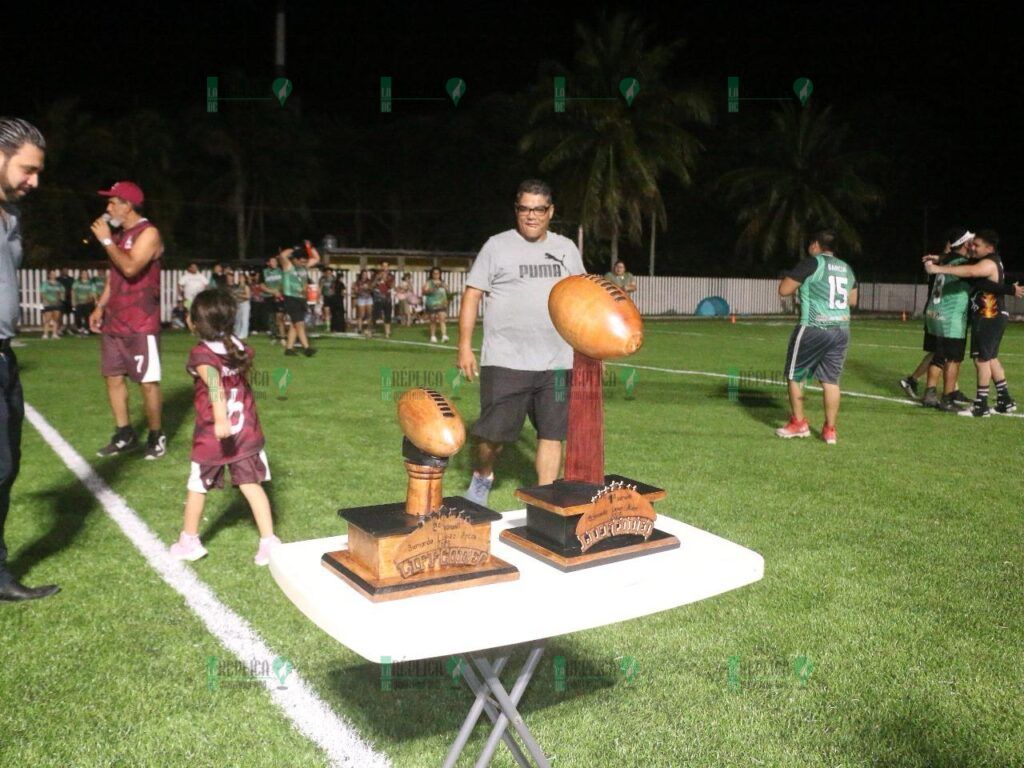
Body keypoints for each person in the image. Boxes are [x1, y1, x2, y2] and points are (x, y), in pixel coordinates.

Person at [457, 179, 585, 506]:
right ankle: (482, 478)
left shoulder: (566, 249)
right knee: (491, 436)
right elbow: (472, 295)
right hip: (505, 361)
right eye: (524, 208)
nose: (531, 216)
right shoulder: (497, 246)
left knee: (553, 433)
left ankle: (545, 500)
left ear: (550, 211)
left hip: (557, 362)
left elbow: (581, 297)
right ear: (517, 210)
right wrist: (464, 345)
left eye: (538, 209)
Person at [169, 289, 281, 565]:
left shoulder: (202, 354)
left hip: (215, 435)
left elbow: (216, 386)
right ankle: (269, 541)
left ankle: (189, 541)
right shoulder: (237, 347)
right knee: (250, 486)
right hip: (246, 431)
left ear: (196, 323)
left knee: (197, 486)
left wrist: (220, 419)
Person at [0, 116, 59, 601]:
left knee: (6, 465)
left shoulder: (12, 215)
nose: (33, 182)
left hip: (4, 358)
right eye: (27, 169)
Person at [89, 180, 167, 460]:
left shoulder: (149, 233)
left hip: (141, 322)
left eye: (112, 202)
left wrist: (107, 240)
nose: (108, 207)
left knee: (147, 382)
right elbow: (116, 276)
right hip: (115, 321)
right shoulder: (120, 236)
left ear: (127, 205)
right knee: (112, 378)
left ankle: (156, 435)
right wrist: (100, 306)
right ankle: (124, 434)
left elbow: (131, 267)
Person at [924, 229, 1023, 416]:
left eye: (977, 245)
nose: (973, 248)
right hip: (993, 315)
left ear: (989, 248)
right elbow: (978, 280)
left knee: (981, 359)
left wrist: (938, 267)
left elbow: (970, 272)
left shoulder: (987, 262)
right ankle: (1005, 400)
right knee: (991, 358)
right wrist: (940, 258)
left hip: (987, 316)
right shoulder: (991, 260)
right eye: (972, 244)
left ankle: (981, 406)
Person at [775, 229, 858, 444]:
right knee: (831, 380)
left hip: (814, 326)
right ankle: (830, 430)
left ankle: (798, 423)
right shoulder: (846, 268)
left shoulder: (812, 263)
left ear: (815, 245)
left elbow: (784, 290)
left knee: (796, 375)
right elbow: (853, 300)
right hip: (841, 328)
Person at [919, 229, 974, 411]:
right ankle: (947, 398)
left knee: (939, 355)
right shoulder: (963, 263)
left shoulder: (946, 260)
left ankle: (930, 392)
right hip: (951, 318)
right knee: (954, 359)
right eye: (971, 242)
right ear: (965, 244)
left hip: (936, 313)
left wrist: (938, 256)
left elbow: (947, 257)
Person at [279, 241, 318, 356]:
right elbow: (282, 255)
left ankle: (289, 349)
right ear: (295, 259)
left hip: (301, 298)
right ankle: (307, 348)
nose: (304, 263)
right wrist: (293, 249)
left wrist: (309, 247)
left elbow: (316, 258)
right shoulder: (289, 266)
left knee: (294, 324)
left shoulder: (304, 267)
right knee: (299, 323)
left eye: (305, 261)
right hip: (291, 298)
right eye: (301, 260)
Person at [260, 255, 286, 344]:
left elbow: (285, 282)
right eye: (273, 261)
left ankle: (283, 337)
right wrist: (272, 291)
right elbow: (262, 285)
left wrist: (279, 291)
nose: (275, 263)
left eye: (276, 261)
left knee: (280, 317)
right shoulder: (264, 272)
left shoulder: (281, 270)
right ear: (268, 263)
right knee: (271, 318)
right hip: (269, 297)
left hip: (280, 296)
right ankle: (274, 336)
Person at [178, 262, 208, 332]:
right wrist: (181, 296)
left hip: (199, 298)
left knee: (199, 312)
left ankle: (198, 327)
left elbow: (206, 285)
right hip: (188, 298)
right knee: (189, 312)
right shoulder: (186, 277)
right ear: (189, 268)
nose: (195, 268)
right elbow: (179, 285)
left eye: (196, 267)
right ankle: (190, 327)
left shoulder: (201, 276)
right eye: (193, 267)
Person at [423, 266, 450, 343]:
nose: (436, 275)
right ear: (432, 274)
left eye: (438, 273)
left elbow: (448, 292)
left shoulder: (443, 282)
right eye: (434, 273)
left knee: (442, 318)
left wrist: (445, 287)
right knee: (433, 319)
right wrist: (434, 287)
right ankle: (433, 336)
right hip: (432, 304)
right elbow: (425, 292)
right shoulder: (429, 283)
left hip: (442, 303)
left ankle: (444, 335)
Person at [371, 260, 395, 339]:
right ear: (381, 267)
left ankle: (387, 333)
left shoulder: (391, 276)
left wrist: (385, 280)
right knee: (375, 315)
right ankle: (371, 330)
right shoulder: (376, 275)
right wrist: (377, 278)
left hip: (387, 298)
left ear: (388, 267)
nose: (385, 268)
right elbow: (372, 286)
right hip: (378, 298)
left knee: (387, 316)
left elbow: (392, 286)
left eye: (386, 266)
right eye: (383, 266)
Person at [39, 268, 65, 339]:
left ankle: (54, 334)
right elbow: (42, 293)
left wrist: (60, 299)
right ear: (49, 275)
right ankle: (45, 334)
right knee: (47, 319)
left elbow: (62, 292)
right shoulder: (45, 284)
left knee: (56, 319)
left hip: (57, 303)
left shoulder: (59, 284)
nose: (53, 275)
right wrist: (46, 300)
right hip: (48, 303)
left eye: (54, 274)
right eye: (52, 274)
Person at [71, 268, 97, 336]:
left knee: (87, 316)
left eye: (86, 274)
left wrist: (94, 300)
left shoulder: (91, 283)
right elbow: (73, 292)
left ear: (88, 275)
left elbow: (93, 293)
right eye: (83, 274)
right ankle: (80, 328)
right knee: (77, 316)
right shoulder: (77, 282)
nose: (84, 275)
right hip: (78, 302)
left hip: (88, 302)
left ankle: (86, 329)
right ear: (81, 275)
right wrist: (73, 301)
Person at [230, 269, 251, 339]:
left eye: (242, 278)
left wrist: (239, 296)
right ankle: (237, 333)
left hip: (244, 303)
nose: (241, 279)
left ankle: (244, 334)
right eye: (240, 278)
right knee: (237, 319)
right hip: (238, 304)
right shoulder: (236, 287)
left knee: (244, 319)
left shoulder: (246, 286)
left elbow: (248, 296)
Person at [353, 269, 373, 335]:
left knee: (369, 314)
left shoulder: (369, 281)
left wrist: (368, 288)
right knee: (361, 314)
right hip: (361, 298)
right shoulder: (358, 282)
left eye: (366, 274)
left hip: (369, 298)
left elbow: (372, 289)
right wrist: (360, 289)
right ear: (361, 275)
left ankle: (369, 328)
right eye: (364, 274)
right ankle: (359, 328)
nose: (365, 275)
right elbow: (355, 291)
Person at [57, 267, 74, 335]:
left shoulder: (71, 279)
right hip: (61, 299)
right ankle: (60, 328)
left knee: (68, 314)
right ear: (61, 271)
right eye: (64, 270)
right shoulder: (58, 279)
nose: (65, 272)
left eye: (67, 270)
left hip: (69, 299)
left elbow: (73, 289)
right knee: (60, 314)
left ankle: (68, 328)